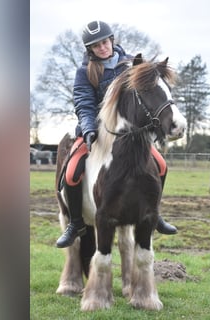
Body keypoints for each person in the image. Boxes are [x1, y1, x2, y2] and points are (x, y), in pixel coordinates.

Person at [56, 21, 177, 248]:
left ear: (111, 40)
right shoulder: (84, 72)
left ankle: (155, 213)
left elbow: (148, 96)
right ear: (89, 49)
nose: (102, 48)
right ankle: (75, 223)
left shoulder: (132, 65)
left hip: (128, 136)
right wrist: (89, 128)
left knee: (160, 165)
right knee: (72, 172)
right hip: (96, 132)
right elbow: (84, 103)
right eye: (96, 45)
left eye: (104, 42)